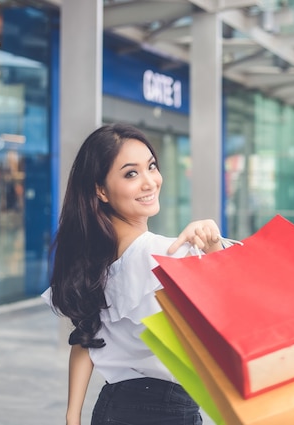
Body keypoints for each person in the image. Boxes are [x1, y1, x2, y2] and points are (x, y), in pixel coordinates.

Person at [45, 123, 224, 425]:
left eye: (151, 167)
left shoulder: (92, 262)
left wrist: (72, 415)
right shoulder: (166, 253)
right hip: (167, 411)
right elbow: (234, 310)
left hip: (112, 408)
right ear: (100, 190)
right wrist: (214, 248)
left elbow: (86, 338)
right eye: (131, 173)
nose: (150, 182)